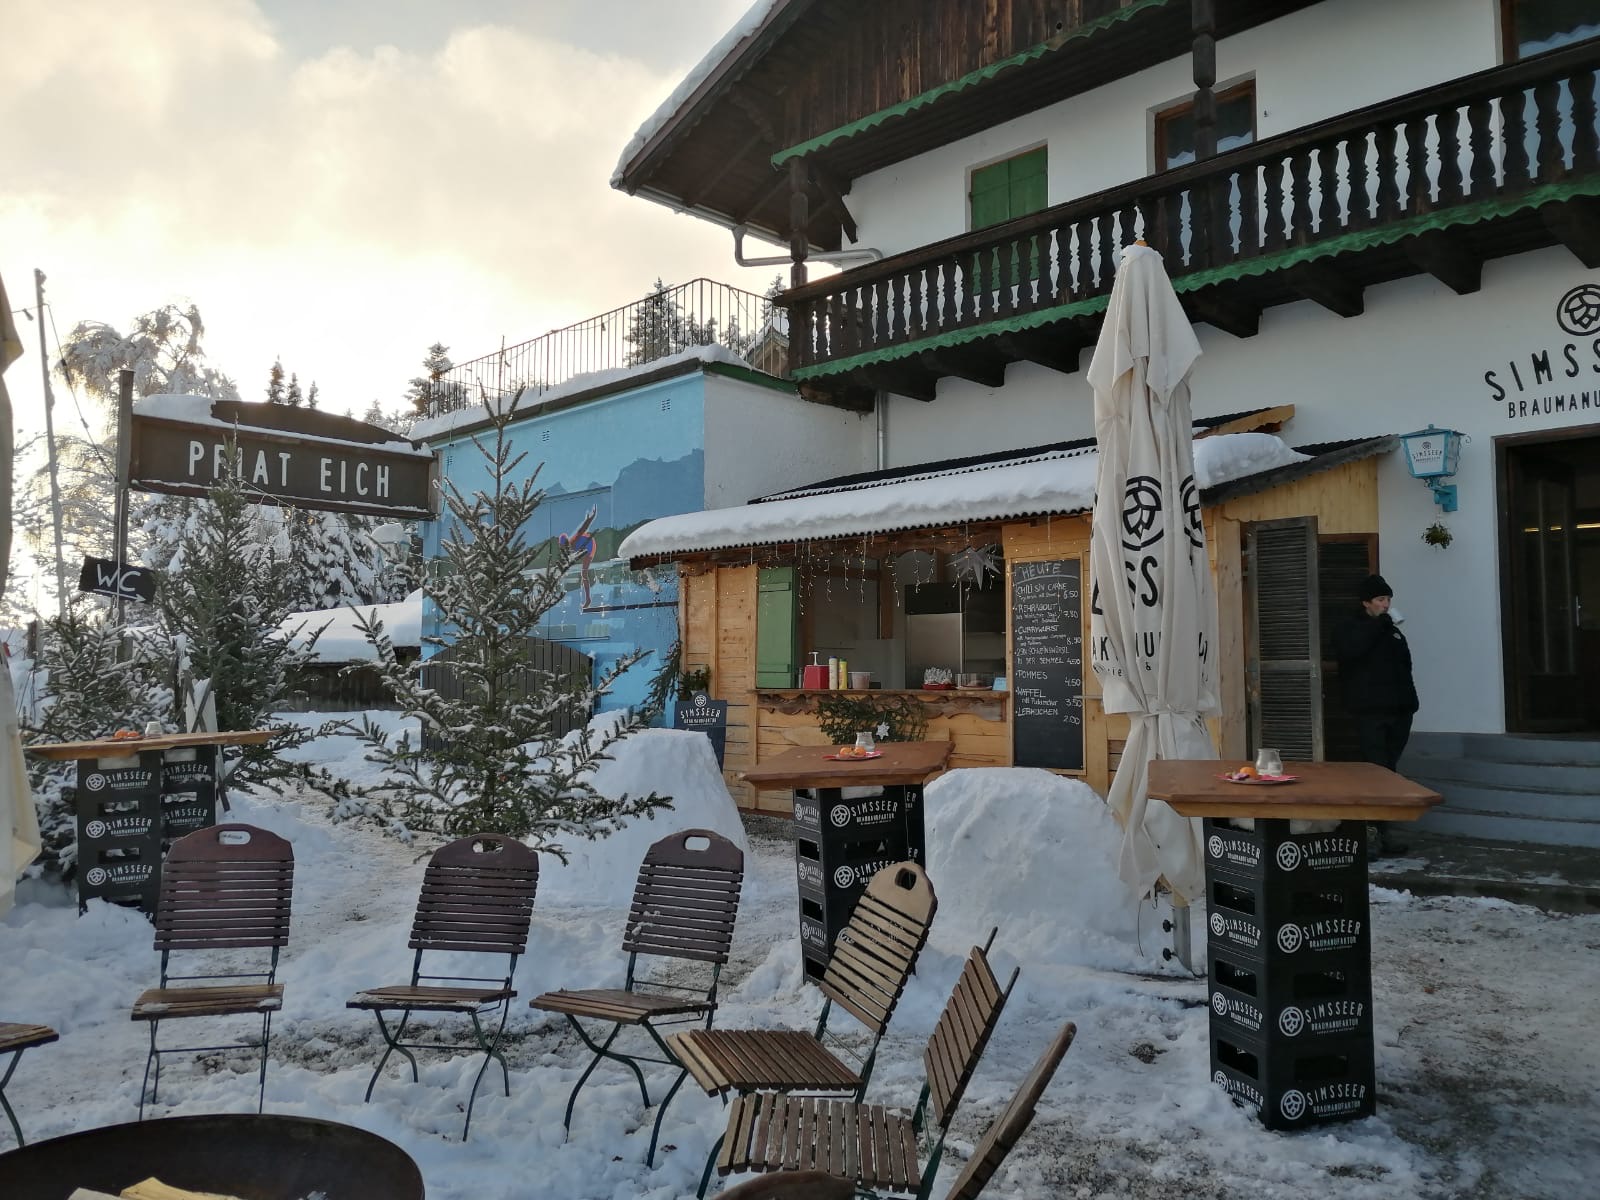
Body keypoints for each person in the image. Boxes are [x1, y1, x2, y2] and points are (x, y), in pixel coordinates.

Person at [1332, 573, 1418, 857]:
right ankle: (1368, 833)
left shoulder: (1392, 631)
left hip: (1399, 711)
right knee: (1374, 772)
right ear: (1366, 602)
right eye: (1381, 599)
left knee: (1389, 771)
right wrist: (1379, 626)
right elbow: (1351, 652)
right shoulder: (1350, 628)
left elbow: (1404, 666)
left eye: (1388, 599)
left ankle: (1384, 832)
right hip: (1369, 712)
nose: (1386, 604)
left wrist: (1410, 702)